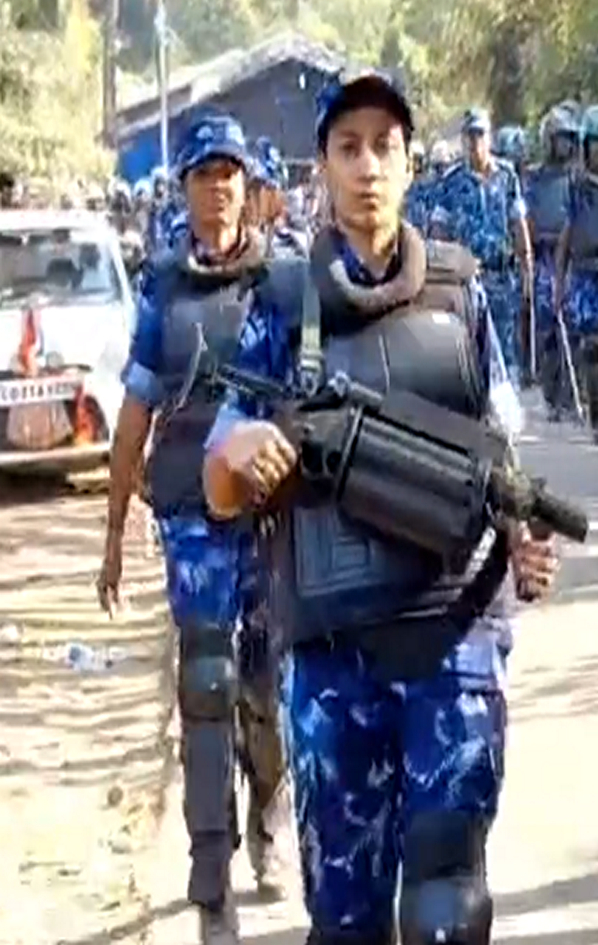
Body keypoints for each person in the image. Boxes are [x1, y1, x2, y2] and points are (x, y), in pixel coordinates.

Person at [200, 70, 560, 944]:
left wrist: (524, 536)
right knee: (347, 919)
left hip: (454, 635)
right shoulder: (283, 306)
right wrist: (238, 453)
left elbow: (500, 442)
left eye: (385, 147)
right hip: (336, 657)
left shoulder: (461, 293)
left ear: (409, 164)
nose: (368, 166)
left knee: (448, 903)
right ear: (323, 165)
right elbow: (217, 478)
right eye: (348, 147)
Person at [97, 113, 293, 944]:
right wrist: (113, 535)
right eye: (204, 175)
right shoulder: (164, 290)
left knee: (266, 691)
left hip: (271, 516)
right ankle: (211, 872)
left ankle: (270, 817)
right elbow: (134, 412)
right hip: (190, 518)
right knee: (207, 686)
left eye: (229, 174)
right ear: (184, 190)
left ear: (248, 188)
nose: (217, 188)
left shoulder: (284, 281)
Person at [430, 108, 534, 388]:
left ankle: (506, 404)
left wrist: (527, 267)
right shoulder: (452, 182)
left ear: (490, 138)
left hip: (502, 279)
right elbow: (439, 231)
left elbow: (518, 223)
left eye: (480, 134)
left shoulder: (507, 177)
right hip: (467, 281)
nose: (475, 142)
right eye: (470, 135)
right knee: (471, 352)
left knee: (506, 354)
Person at [555, 105, 598, 441]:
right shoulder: (577, 187)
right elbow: (566, 234)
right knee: (590, 348)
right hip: (584, 276)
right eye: (593, 144)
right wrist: (559, 281)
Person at [525, 105, 579, 416]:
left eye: (569, 138)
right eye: (560, 138)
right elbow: (527, 218)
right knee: (546, 327)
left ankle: (570, 395)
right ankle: (551, 394)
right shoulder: (536, 178)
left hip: (571, 259)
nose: (565, 145)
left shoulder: (577, 178)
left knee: (570, 327)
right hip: (545, 256)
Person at [249, 137, 307, 256]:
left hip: (270, 190)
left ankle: (267, 248)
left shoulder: (271, 155)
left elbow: (276, 170)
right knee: (264, 221)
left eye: (260, 147)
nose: (258, 149)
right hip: (267, 188)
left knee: (269, 220)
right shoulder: (260, 158)